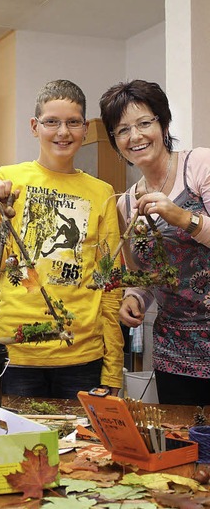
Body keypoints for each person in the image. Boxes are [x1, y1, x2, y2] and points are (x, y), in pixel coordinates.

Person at [0, 79, 124, 399]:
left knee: (85, 449)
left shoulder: (102, 194)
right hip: (15, 354)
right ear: (34, 126)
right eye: (52, 122)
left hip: (81, 358)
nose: (63, 132)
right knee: (17, 448)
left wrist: (113, 367)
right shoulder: (9, 178)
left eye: (73, 123)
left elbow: (111, 287)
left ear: (85, 129)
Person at [99, 79, 210, 406]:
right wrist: (135, 298)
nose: (135, 136)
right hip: (173, 348)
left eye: (145, 123)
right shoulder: (127, 202)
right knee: (182, 443)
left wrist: (183, 218)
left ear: (164, 124)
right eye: (122, 130)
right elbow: (147, 273)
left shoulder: (198, 165)